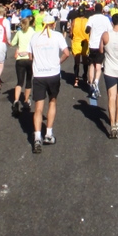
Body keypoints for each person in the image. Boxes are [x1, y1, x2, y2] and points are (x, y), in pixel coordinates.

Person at [28, 13, 70, 153]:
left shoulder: (34, 37)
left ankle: (37, 137)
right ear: (53, 24)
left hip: (39, 74)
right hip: (53, 73)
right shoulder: (58, 36)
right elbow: (66, 53)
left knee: (38, 107)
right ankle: (49, 133)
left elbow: (30, 56)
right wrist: (58, 62)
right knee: (52, 101)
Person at [85, 3, 112, 99]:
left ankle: (91, 83)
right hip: (102, 44)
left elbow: (87, 30)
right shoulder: (106, 19)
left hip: (92, 44)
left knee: (91, 64)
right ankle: (96, 81)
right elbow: (110, 30)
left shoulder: (91, 18)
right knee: (99, 65)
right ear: (102, 10)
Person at [10, 15, 35, 115]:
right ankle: (25, 100)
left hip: (20, 59)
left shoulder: (19, 32)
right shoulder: (32, 32)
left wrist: (18, 48)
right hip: (29, 58)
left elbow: (12, 43)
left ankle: (16, 100)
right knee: (28, 80)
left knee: (19, 81)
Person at [70, 4, 90, 87]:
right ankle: (85, 75)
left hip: (76, 42)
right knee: (85, 60)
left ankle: (76, 79)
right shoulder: (87, 21)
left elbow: (71, 33)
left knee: (77, 62)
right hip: (85, 42)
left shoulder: (74, 21)